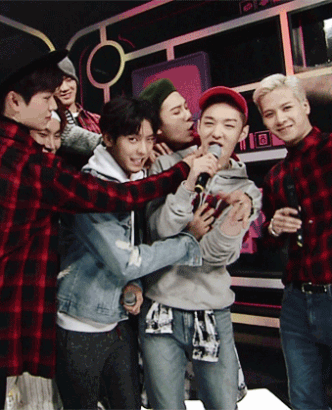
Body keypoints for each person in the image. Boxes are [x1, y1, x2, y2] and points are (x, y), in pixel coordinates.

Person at [0, 35, 199, 410]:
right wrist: (182, 171)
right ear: (14, 101)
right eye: (45, 98)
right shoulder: (29, 165)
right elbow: (116, 197)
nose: (53, 107)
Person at [55, 96, 217, 410]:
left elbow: (133, 244)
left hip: (117, 323)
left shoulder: (135, 180)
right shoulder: (92, 187)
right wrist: (188, 240)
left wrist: (135, 285)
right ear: (107, 138)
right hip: (79, 325)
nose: (142, 150)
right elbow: (127, 262)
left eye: (149, 140)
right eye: (132, 139)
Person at [253, 73, 332, 410]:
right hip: (296, 303)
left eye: (287, 108)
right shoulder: (276, 176)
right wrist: (273, 229)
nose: (280, 119)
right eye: (270, 114)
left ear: (305, 106)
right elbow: (271, 244)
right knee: (305, 402)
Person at [138, 84, 262, 410]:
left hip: (212, 310)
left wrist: (232, 221)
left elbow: (213, 257)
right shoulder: (167, 165)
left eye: (229, 125)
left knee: (222, 404)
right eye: (209, 122)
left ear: (243, 133)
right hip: (160, 307)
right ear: (199, 125)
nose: (217, 132)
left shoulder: (246, 189)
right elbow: (158, 230)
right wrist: (189, 181)